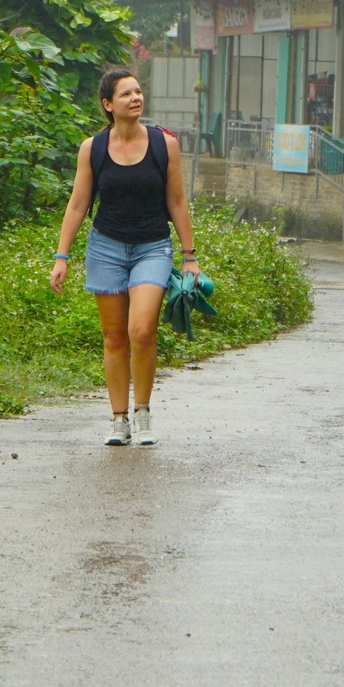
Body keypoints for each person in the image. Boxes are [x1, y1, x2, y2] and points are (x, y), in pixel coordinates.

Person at [50, 69, 199, 446]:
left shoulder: (164, 144)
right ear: (108, 105)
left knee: (142, 330)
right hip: (106, 248)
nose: (136, 98)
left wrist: (189, 256)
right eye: (125, 94)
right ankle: (119, 420)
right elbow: (78, 204)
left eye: (138, 91)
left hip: (153, 246)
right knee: (114, 336)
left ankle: (143, 412)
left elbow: (177, 201)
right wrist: (61, 256)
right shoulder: (93, 148)